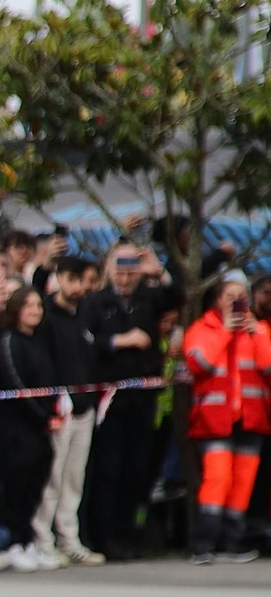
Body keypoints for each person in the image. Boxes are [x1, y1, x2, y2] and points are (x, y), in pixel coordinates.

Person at [182, 271, 271, 564]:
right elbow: (200, 363)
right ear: (218, 300)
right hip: (214, 419)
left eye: (240, 297)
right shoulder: (202, 328)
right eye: (230, 297)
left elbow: (268, 366)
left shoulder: (257, 330)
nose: (236, 302)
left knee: (242, 482)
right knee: (217, 479)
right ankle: (203, 543)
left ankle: (231, 543)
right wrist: (225, 332)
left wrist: (256, 334)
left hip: (250, 418)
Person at [84, 242, 166, 560]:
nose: (125, 277)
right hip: (110, 398)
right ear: (109, 270)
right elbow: (87, 341)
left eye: (132, 271)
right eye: (119, 270)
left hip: (142, 397)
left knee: (137, 468)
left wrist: (158, 271)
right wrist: (121, 341)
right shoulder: (96, 302)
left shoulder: (148, 300)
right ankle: (105, 536)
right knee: (109, 469)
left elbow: (174, 299)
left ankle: (127, 532)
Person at [31, 258, 104, 566]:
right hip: (59, 409)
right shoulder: (46, 316)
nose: (77, 288)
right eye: (71, 279)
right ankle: (42, 539)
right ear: (58, 277)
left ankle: (69, 538)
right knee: (54, 477)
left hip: (85, 408)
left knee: (74, 477)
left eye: (83, 280)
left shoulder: (87, 313)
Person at [0, 288, 58, 572]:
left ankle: (28, 541)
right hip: (15, 429)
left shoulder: (39, 342)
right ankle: (13, 542)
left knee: (34, 487)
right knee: (15, 488)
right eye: (28, 305)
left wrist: (51, 414)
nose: (35, 310)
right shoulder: (8, 341)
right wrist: (41, 417)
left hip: (40, 430)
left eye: (39, 305)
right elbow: (16, 385)